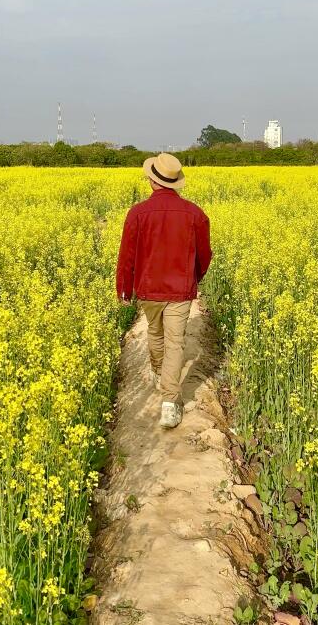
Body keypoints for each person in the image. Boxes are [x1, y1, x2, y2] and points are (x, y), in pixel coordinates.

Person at [116, 153, 212, 429]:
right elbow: (204, 254)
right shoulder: (194, 213)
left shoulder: (137, 213)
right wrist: (197, 276)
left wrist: (124, 288)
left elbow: (127, 255)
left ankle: (162, 380)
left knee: (155, 333)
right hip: (180, 290)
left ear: (151, 180)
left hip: (148, 289)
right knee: (175, 342)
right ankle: (170, 402)